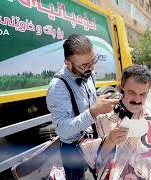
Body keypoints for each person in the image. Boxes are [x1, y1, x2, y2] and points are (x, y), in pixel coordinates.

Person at [79, 65, 151, 180]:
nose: (137, 99)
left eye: (142, 94)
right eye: (132, 92)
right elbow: (87, 156)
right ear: (120, 88)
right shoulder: (103, 115)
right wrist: (108, 141)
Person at [46, 34, 119, 180]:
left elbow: (89, 103)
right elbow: (64, 132)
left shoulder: (89, 73)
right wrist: (94, 111)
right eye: (85, 65)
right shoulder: (58, 87)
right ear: (68, 63)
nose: (92, 68)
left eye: (93, 61)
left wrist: (100, 103)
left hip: (92, 141)